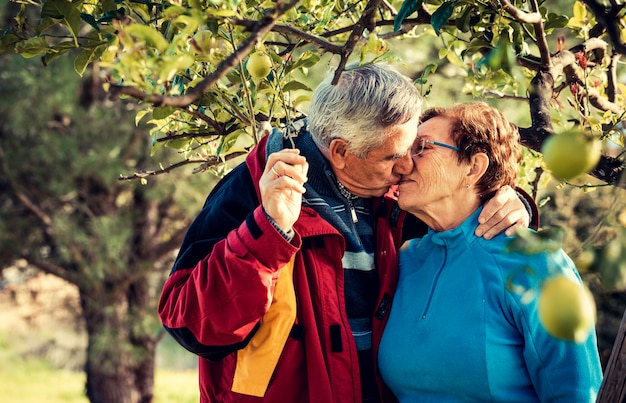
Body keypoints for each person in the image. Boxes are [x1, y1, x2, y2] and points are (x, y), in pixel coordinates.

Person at [158, 65, 534, 402]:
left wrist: (512, 201)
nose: (406, 166)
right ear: (340, 152)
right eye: (393, 156)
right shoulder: (253, 190)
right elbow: (191, 326)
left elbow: (460, 210)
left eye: (412, 148)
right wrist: (267, 232)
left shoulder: (393, 193)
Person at [377, 102, 603, 402]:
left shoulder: (537, 263)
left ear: (473, 167)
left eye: (423, 148)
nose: (405, 163)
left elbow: (577, 393)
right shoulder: (402, 261)